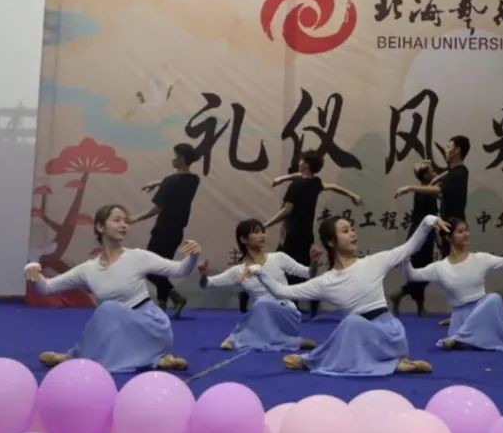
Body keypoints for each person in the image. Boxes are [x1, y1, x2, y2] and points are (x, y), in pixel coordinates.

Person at [243, 213, 450, 375]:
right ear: (331, 242)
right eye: (345, 231)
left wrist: (428, 221)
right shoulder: (326, 281)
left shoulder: (374, 262)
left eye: (352, 229)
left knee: (351, 323)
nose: (352, 234)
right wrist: (259, 271)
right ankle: (395, 365)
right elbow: (281, 291)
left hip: (389, 335)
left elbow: (410, 247)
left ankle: (313, 359)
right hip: (360, 338)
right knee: (351, 324)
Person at [25, 204, 198, 371]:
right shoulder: (88, 269)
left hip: (151, 327)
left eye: (125, 221)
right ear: (100, 227)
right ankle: (155, 361)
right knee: (109, 317)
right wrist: (34, 275)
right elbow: (46, 288)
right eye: (117, 220)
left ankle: (72, 357)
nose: (123, 225)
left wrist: (193, 256)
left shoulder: (137, 257)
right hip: (121, 332)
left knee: (108, 309)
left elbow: (180, 270)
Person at [401, 218, 503, 351]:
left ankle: (495, 338)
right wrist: (405, 254)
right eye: (460, 231)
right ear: (449, 237)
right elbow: (411, 275)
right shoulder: (439, 268)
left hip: (483, 315)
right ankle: (468, 336)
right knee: (493, 300)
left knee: (494, 299)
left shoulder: (480, 258)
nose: (466, 234)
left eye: (466, 230)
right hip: (460, 321)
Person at [199, 218, 320, 352]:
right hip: (261, 316)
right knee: (260, 305)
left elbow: (309, 273)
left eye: (263, 232)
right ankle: (290, 342)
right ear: (244, 239)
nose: (262, 235)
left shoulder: (279, 258)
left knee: (262, 303)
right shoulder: (238, 271)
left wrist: (314, 262)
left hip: (286, 312)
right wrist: (203, 275)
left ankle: (237, 339)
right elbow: (207, 284)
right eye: (256, 232)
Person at [266, 151, 363, 317]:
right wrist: (352, 194)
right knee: (304, 270)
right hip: (306, 235)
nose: (299, 163)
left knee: (281, 268)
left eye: (301, 161)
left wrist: (266, 225)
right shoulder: (315, 182)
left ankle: (283, 303)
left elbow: (287, 211)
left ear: (306, 164)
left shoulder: (296, 187)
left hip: (292, 234)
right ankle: (301, 304)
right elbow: (332, 186)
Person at [128, 142, 201, 318]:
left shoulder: (170, 181)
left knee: (150, 269)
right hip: (176, 232)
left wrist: (135, 218)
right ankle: (162, 306)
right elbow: (179, 179)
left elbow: (157, 208)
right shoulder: (194, 180)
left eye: (175, 156)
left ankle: (176, 298)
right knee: (161, 269)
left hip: (163, 231)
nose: (172, 159)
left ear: (181, 158)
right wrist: (158, 182)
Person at [394, 136, 470, 257]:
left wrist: (410, 187)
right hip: (443, 229)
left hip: (452, 228)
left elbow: (438, 190)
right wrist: (436, 179)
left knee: (452, 262)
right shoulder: (455, 172)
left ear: (457, 150)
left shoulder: (459, 173)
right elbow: (447, 175)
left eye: (449, 147)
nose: (445, 150)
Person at [390, 160, 440, 316]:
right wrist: (437, 237)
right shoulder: (424, 193)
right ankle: (401, 294)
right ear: (425, 176)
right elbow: (430, 218)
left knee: (421, 271)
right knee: (424, 271)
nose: (434, 172)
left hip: (422, 235)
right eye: (431, 171)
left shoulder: (425, 191)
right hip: (422, 237)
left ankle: (418, 306)